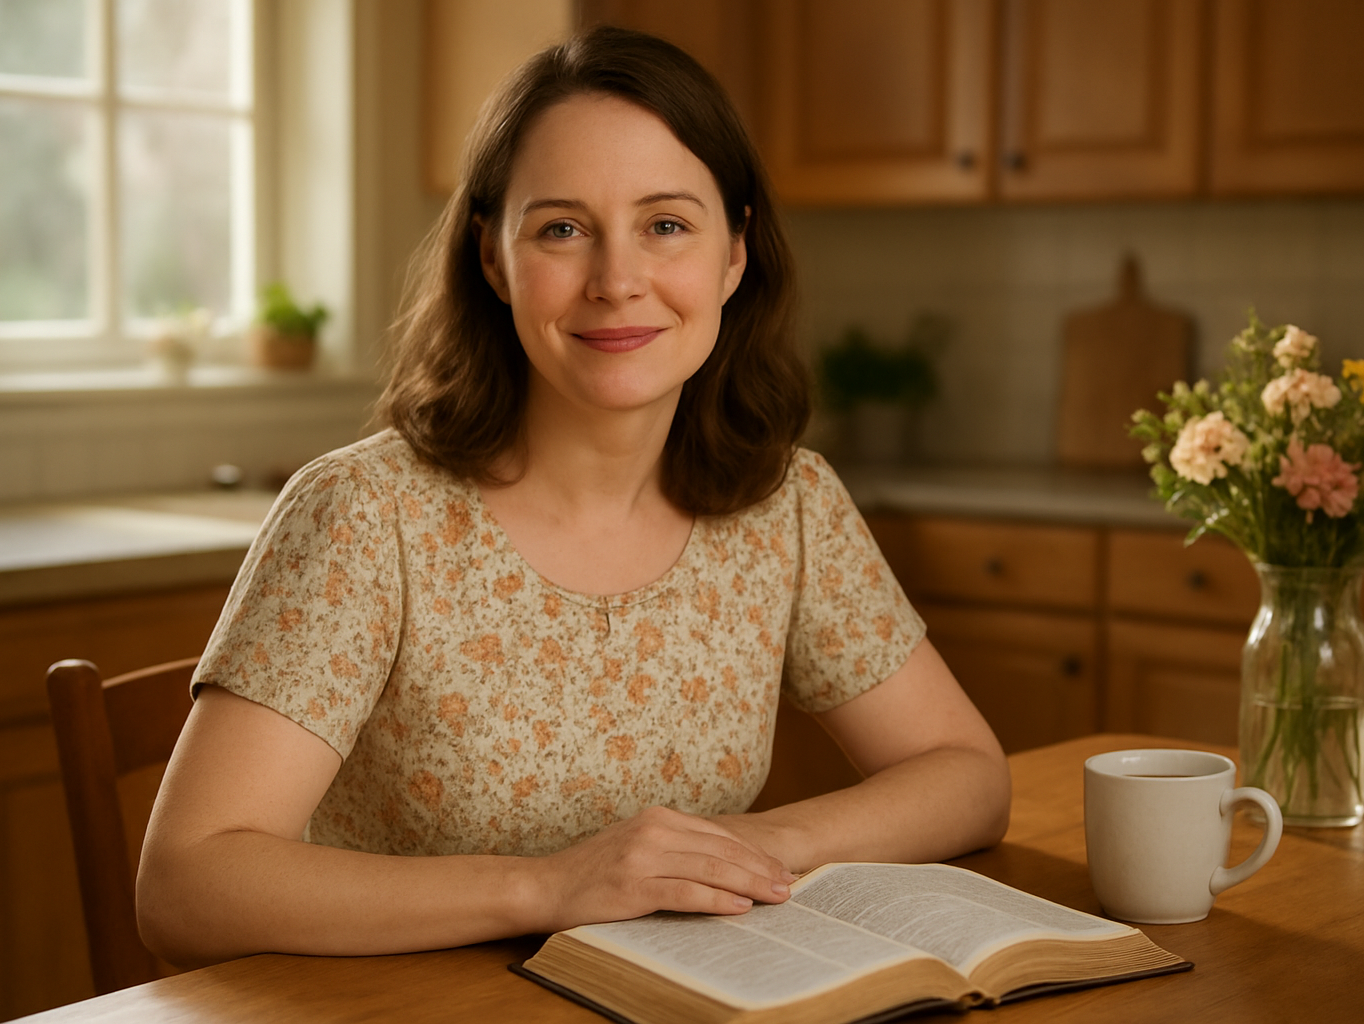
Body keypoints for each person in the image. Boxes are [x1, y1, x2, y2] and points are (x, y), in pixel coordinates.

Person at [137, 26, 1010, 967]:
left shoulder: (787, 502)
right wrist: (552, 885)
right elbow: (187, 886)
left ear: (734, 253)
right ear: (492, 258)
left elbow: (968, 777)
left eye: (667, 224)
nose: (618, 280)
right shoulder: (364, 516)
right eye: (561, 228)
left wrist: (750, 850)